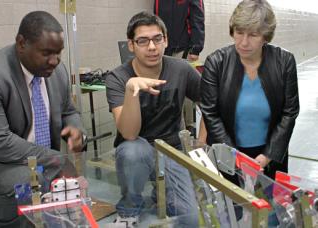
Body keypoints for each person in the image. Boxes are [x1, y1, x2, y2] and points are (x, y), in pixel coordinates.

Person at [0, 11, 86, 227]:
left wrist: (76, 129)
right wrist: (56, 159)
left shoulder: (56, 72)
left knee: (45, 185)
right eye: (47, 53)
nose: (55, 61)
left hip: (31, 155)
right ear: (21, 43)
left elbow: (69, 111)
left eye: (59, 53)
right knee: (21, 181)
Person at [105, 11, 200, 227]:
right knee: (134, 150)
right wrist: (131, 91)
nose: (151, 47)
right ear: (131, 45)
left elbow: (211, 106)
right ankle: (129, 209)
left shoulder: (181, 69)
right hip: (136, 149)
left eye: (157, 39)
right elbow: (129, 133)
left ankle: (162, 191)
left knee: (190, 218)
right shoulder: (118, 78)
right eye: (142, 41)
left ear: (165, 40)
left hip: (172, 150)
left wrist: (199, 146)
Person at [200, 0, 299, 181]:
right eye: (239, 33)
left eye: (253, 35)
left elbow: (289, 112)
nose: (244, 42)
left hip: (269, 155)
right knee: (231, 206)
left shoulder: (284, 62)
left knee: (269, 206)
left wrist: (267, 156)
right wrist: (236, 159)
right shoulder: (216, 63)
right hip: (228, 155)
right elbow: (210, 113)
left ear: (266, 36)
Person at [154, 0, 205, 136]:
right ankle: (174, 129)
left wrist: (196, 48)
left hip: (184, 49)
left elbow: (197, 17)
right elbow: (156, 19)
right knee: (169, 89)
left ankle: (187, 129)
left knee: (183, 89)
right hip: (164, 48)